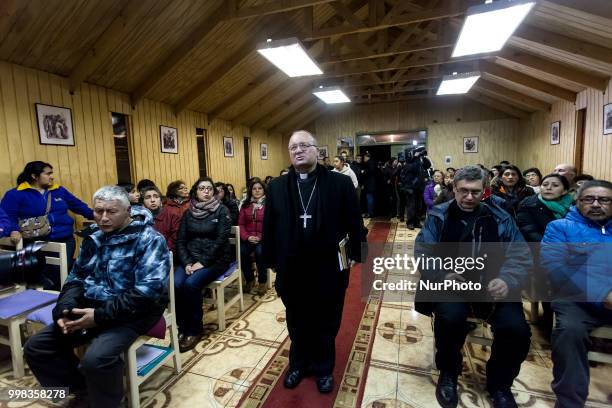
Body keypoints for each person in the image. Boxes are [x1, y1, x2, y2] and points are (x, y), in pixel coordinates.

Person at [24, 185, 170, 408]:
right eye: (98, 211)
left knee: (96, 360)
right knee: (37, 347)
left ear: (128, 211)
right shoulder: (94, 238)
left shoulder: (149, 239)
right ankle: (81, 389)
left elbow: (147, 292)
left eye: (111, 212)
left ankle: (109, 403)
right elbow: (76, 277)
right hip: (93, 306)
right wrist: (65, 308)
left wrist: (100, 316)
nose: (103, 218)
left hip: (134, 312)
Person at [415, 165, 532, 408]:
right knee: (449, 320)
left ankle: (500, 384)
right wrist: (442, 274)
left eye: (475, 192)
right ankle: (449, 372)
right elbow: (423, 252)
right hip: (451, 285)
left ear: (485, 192)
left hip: (494, 286)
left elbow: (520, 255)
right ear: (454, 190)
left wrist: (507, 279)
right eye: (463, 191)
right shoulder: (439, 215)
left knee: (517, 330)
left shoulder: (500, 217)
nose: (469, 197)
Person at [263, 130, 366, 394]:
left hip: (329, 267)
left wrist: (357, 253)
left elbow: (354, 222)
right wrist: (270, 259)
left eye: (303, 146)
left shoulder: (339, 183)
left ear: (317, 151)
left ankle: (323, 368)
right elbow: (270, 227)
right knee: (297, 319)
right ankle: (298, 364)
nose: (297, 150)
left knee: (326, 320)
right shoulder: (276, 186)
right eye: (292, 147)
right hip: (292, 268)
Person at [540, 180, 612, 408]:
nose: (596, 204)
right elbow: (556, 267)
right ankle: (569, 402)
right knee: (569, 332)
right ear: (578, 202)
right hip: (576, 300)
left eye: (604, 200)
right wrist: (603, 294)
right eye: (589, 199)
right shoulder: (560, 227)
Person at [1, 161, 93, 289]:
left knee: (61, 272)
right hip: (35, 242)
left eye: (52, 173)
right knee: (41, 274)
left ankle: (60, 298)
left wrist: (97, 215)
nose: (52, 176)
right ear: (34, 176)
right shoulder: (15, 194)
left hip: (64, 239)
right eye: (48, 173)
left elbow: (78, 205)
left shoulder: (58, 190)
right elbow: (7, 216)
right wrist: (13, 230)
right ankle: (46, 299)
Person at [175, 177, 231, 351]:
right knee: (176, 284)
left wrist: (202, 262)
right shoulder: (188, 212)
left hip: (216, 259)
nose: (205, 191)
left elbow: (221, 241)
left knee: (191, 285)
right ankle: (182, 327)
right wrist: (187, 263)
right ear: (195, 192)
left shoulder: (222, 210)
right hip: (190, 259)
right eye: (201, 188)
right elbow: (181, 240)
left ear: (213, 192)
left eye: (209, 188)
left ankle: (195, 329)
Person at [516, 174, 572, 333]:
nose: (548, 188)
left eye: (555, 185)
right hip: (539, 251)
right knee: (551, 273)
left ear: (565, 190)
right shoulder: (529, 204)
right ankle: (551, 319)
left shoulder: (574, 206)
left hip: (572, 253)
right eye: (545, 184)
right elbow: (529, 231)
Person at [239, 179, 267, 295]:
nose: (257, 191)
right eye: (254, 189)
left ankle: (262, 281)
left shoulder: (269, 204)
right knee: (242, 252)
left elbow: (271, 224)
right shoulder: (245, 205)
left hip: (263, 238)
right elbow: (241, 224)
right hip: (248, 238)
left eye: (260, 188)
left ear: (264, 190)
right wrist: (247, 237)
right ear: (250, 191)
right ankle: (250, 279)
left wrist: (260, 237)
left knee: (260, 253)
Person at [142, 186, 181, 254]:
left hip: (168, 254)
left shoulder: (172, 214)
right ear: (143, 202)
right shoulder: (140, 218)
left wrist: (162, 250)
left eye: (156, 196)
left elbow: (175, 237)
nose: (152, 200)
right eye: (148, 197)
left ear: (161, 200)